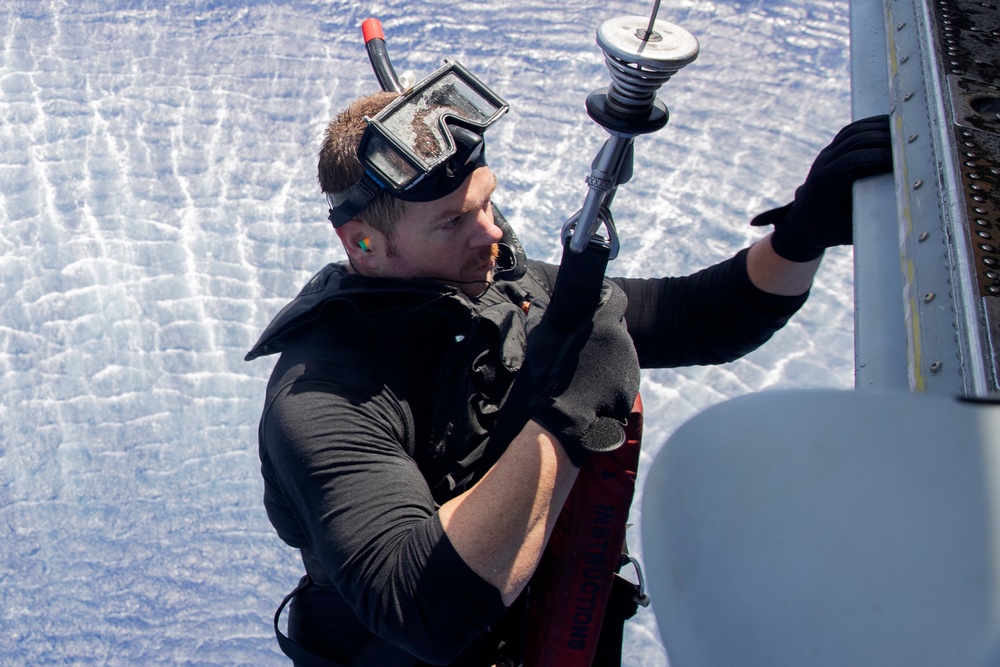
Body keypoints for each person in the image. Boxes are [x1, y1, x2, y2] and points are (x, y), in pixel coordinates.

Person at [246, 60, 893, 667]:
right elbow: (421, 607)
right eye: (452, 223)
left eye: (486, 202)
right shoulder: (326, 397)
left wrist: (803, 232)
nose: (492, 234)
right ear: (364, 244)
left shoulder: (499, 287)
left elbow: (700, 317)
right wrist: (568, 416)